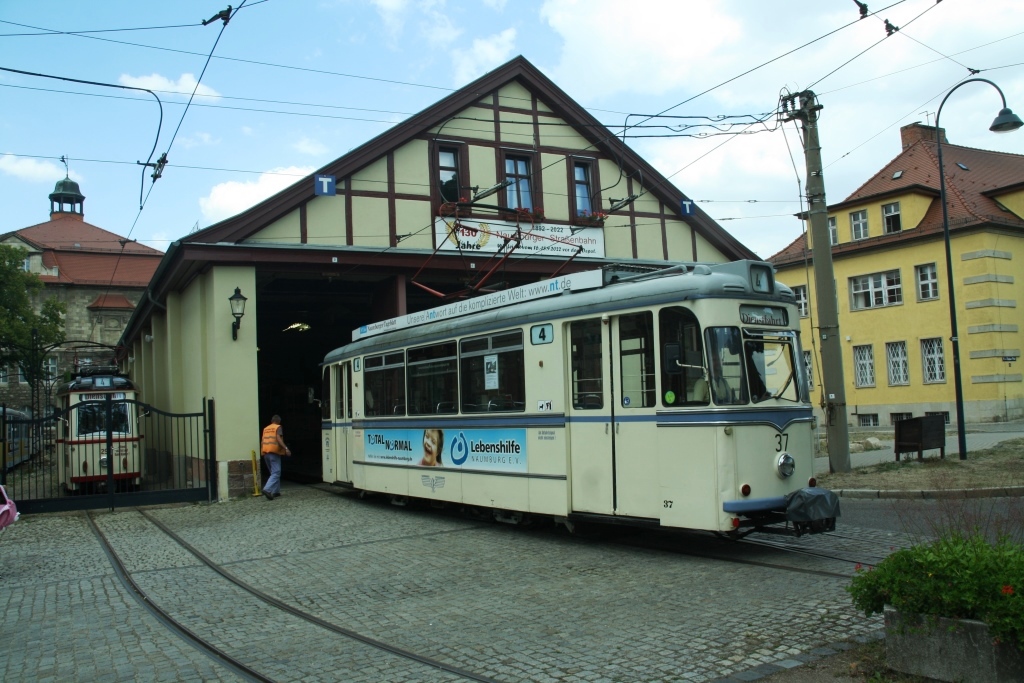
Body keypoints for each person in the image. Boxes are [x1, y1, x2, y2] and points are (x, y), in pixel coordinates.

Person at [260, 415, 291, 500]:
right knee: (276, 472)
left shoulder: (266, 428)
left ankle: (276, 492)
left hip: (266, 453)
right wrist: (286, 449)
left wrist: (262, 452)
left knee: (273, 473)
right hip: (274, 453)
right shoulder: (278, 427)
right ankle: (267, 489)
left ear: (271, 420)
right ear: (279, 421)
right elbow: (279, 439)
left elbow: (263, 441)